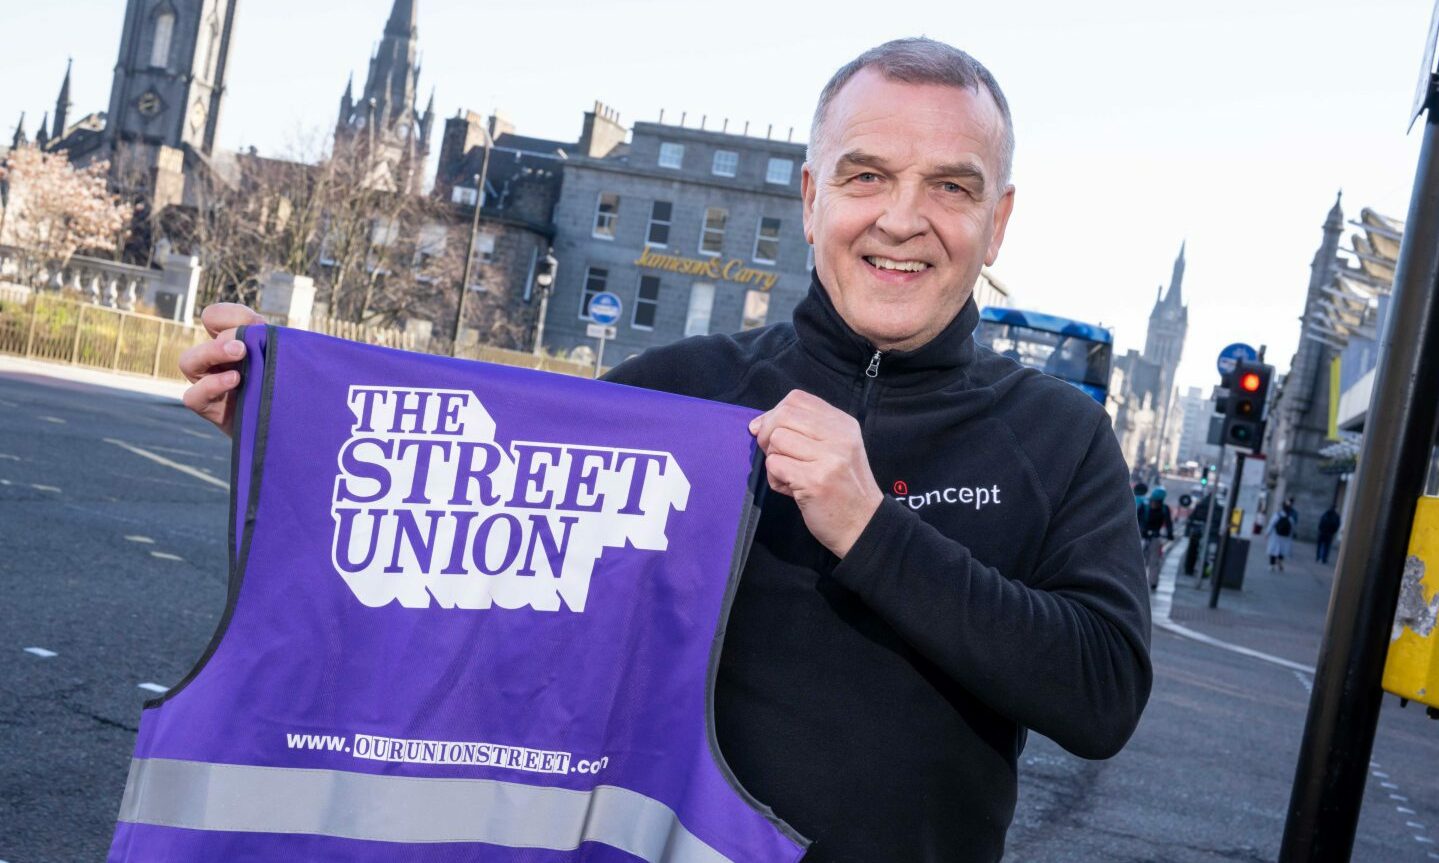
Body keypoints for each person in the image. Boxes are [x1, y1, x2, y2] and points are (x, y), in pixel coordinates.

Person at [178, 38, 1152, 863]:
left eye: (950, 185)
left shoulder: (1056, 434)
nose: (901, 217)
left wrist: (869, 526)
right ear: (812, 197)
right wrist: (299, 436)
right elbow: (457, 575)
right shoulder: (674, 392)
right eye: (866, 176)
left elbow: (1100, 695)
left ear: (997, 220)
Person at [1139, 486, 1174, 590]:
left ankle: (1150, 582)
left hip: (1149, 536)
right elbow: (1169, 524)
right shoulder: (1148, 507)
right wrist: (1170, 534)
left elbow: (1168, 523)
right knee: (1147, 561)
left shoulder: (1160, 508)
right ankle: (1148, 582)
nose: (1154, 503)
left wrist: (1170, 533)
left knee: (1149, 561)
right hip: (1146, 536)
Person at [1266, 506, 1295, 571]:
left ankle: (1271, 565)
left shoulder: (1276, 515)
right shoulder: (1290, 518)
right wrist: (1290, 538)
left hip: (1275, 536)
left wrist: (1267, 533)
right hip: (1285, 537)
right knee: (1282, 550)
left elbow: (1271, 524)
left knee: (1273, 550)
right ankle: (1280, 561)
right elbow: (1292, 530)